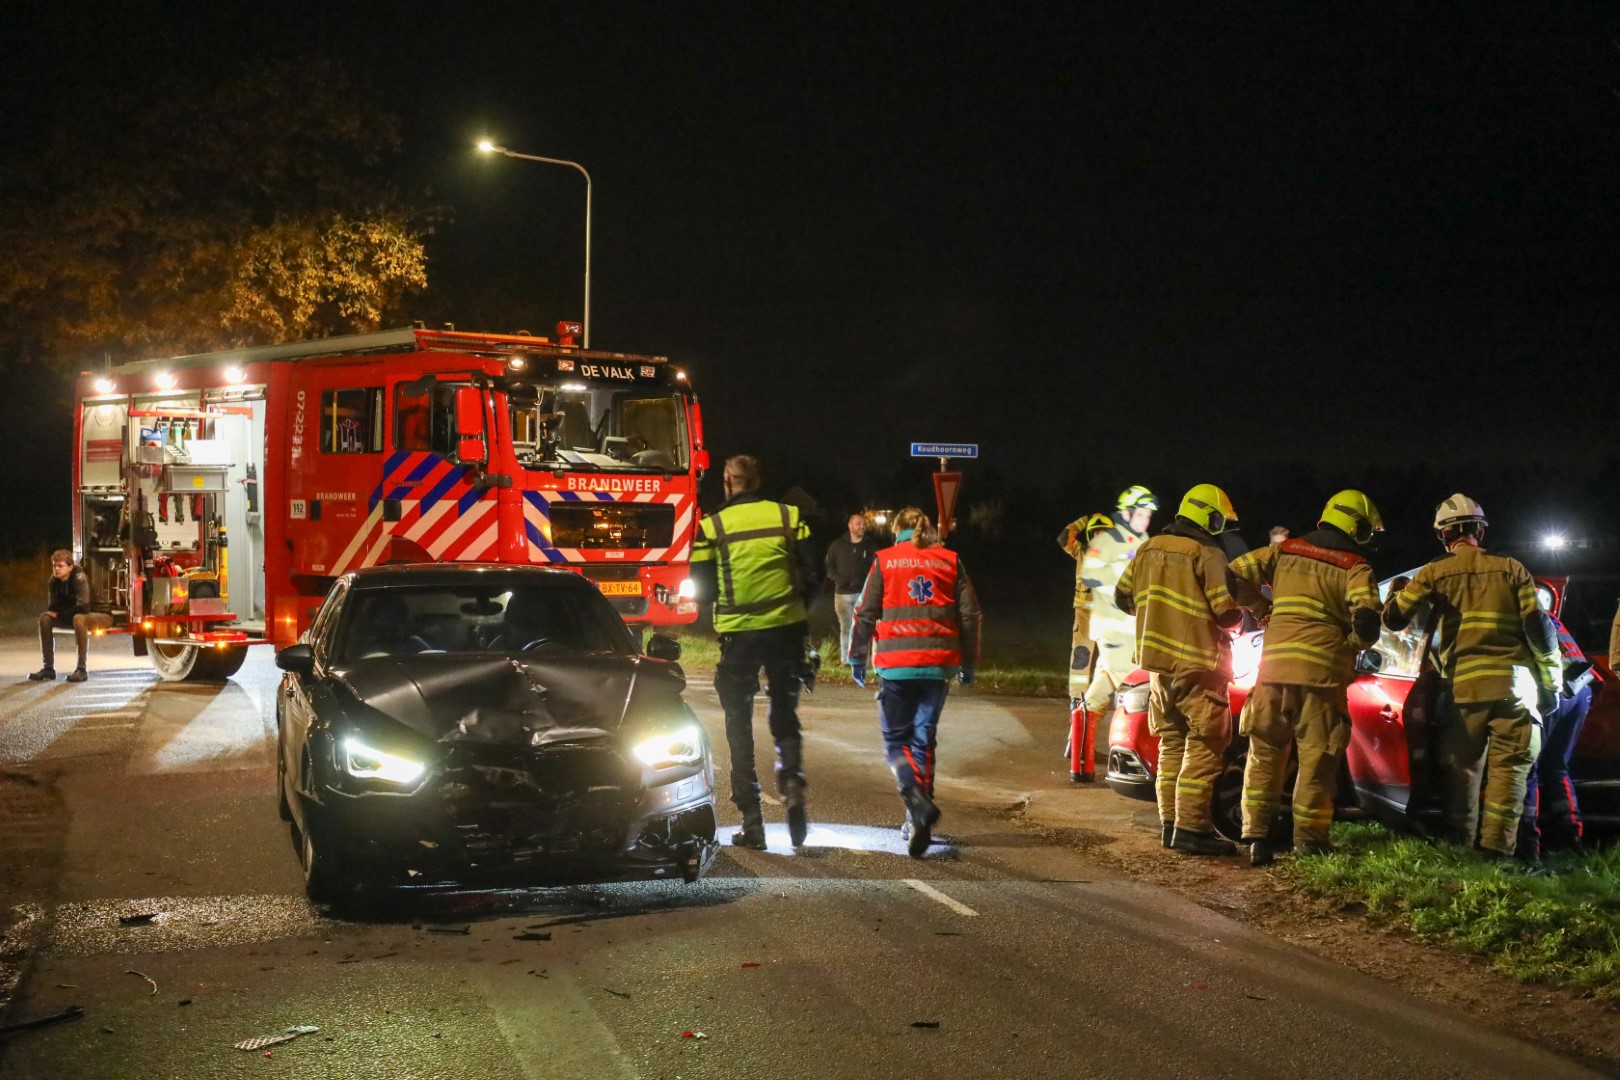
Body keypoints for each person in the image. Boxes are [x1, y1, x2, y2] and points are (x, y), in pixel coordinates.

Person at [1382, 494, 1560, 859]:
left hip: (1464, 691)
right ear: (1479, 530)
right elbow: (1539, 630)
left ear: (1443, 535)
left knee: (1461, 773)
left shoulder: (1433, 572)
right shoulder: (1512, 568)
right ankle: (1497, 853)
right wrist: (1552, 683)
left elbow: (1395, 620)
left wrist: (1395, 593)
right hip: (1517, 688)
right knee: (1509, 776)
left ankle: (1460, 851)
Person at [1229, 491, 1384, 866]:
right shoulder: (1355, 566)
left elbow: (1233, 573)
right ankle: (1309, 843)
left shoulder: (1285, 550)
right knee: (1317, 762)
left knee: (1264, 755)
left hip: (1273, 672)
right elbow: (1367, 618)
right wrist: (1352, 645)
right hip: (1322, 679)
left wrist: (1262, 608)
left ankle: (1257, 839)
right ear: (1357, 527)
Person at [689, 455, 819, 850]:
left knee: (738, 722)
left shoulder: (711, 526)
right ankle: (792, 785)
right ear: (758, 481)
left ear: (728, 482)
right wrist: (796, 611)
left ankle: (752, 820)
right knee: (784, 714)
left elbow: (702, 589)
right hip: (785, 631)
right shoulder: (789, 517)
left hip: (739, 637)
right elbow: (813, 573)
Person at [1115, 484, 1246, 856]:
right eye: (1219, 521)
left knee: (1171, 742)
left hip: (1158, 666)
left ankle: (1171, 825)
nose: (1221, 528)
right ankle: (1192, 828)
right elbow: (1225, 611)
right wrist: (1241, 623)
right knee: (1207, 742)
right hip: (1199, 665)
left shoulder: (1148, 548)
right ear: (1208, 517)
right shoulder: (1207, 554)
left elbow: (1122, 596)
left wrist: (1155, 616)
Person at [849, 508, 982, 857]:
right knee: (924, 739)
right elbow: (970, 614)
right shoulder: (950, 561)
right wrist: (968, 661)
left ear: (897, 532)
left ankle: (916, 800)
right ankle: (916, 816)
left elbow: (864, 612)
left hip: (896, 666)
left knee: (897, 742)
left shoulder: (885, 560)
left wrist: (857, 658)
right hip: (938, 666)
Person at [1069, 486, 1157, 782]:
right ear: (1126, 514)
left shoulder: (1138, 542)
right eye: (1141, 514)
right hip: (1120, 634)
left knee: (1095, 698)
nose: (1145, 520)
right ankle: (1138, 762)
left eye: (1148, 515)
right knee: (1141, 698)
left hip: (1117, 632)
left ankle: (1080, 766)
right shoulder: (1112, 543)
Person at [1517, 601, 1594, 859]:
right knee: (1557, 766)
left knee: (1528, 766)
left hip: (1557, 691)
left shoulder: (1526, 619)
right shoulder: (1551, 617)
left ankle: (1527, 842)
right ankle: (1573, 834)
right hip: (1581, 690)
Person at [31, 550, 107, 684]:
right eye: (54, 566)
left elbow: (84, 607)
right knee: (45, 618)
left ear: (70, 567)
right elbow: (53, 606)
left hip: (100, 614)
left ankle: (81, 669)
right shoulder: (54, 581)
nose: (56, 569)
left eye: (60, 566)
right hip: (74, 614)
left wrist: (60, 614)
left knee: (79, 618)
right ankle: (48, 668)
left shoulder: (80, 578)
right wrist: (55, 613)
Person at [824, 513, 878, 666]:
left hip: (863, 594)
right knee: (846, 628)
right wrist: (838, 579)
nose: (862, 526)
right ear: (850, 525)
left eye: (863, 524)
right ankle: (846, 660)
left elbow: (877, 567)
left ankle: (863, 660)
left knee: (863, 628)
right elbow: (829, 566)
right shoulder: (837, 546)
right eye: (858, 523)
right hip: (842, 595)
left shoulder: (871, 546)